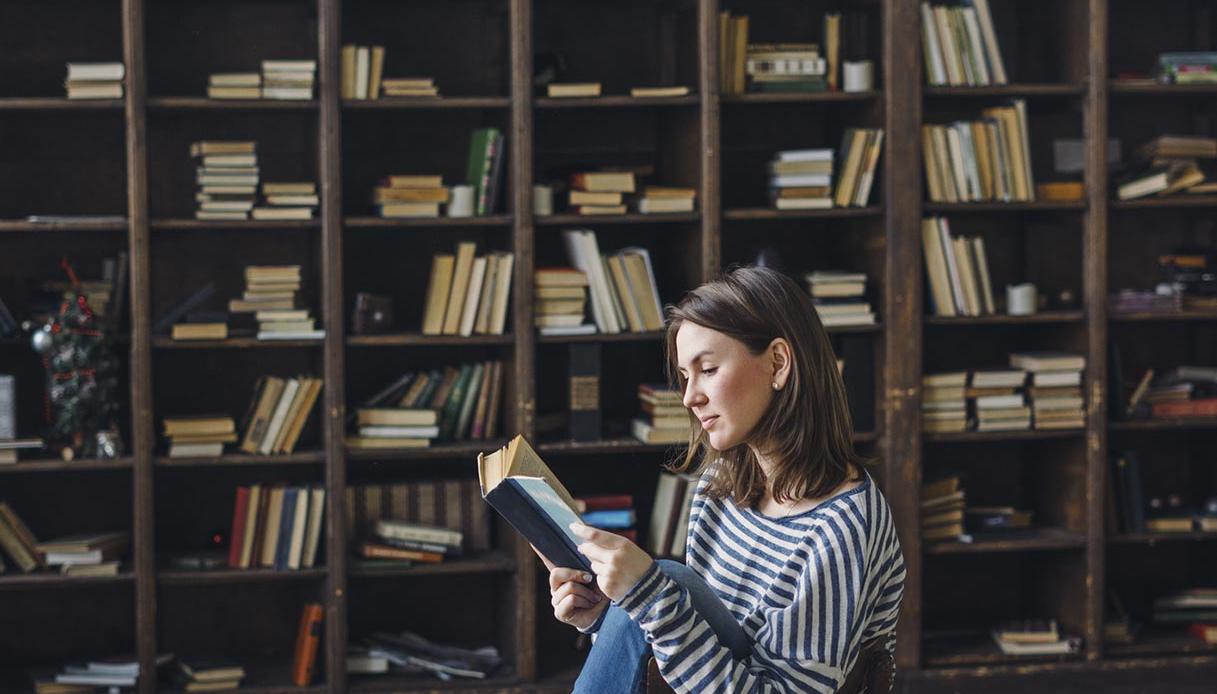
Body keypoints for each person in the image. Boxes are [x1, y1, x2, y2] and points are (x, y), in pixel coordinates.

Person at [545, 265, 905, 693]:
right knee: (662, 585)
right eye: (684, 376)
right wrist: (606, 618)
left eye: (708, 369)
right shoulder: (721, 486)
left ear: (777, 362)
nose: (689, 396)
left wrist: (647, 597)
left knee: (665, 580)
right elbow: (692, 654)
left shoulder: (843, 524)